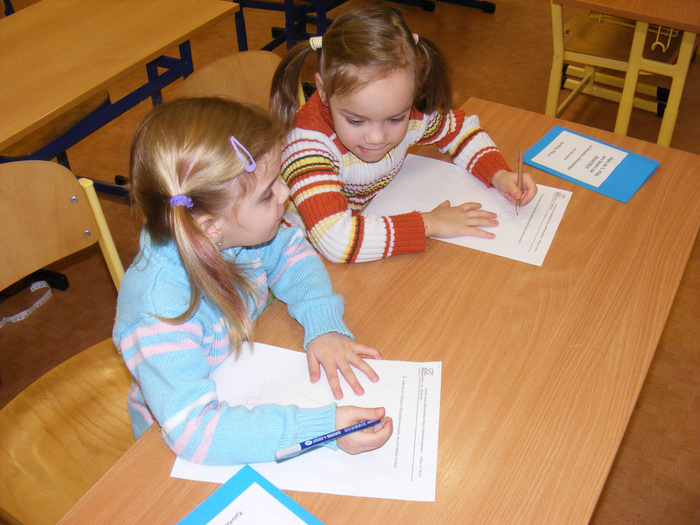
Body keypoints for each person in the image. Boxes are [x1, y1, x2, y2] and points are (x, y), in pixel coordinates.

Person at [113, 97, 392, 465]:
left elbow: (292, 253)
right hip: (171, 447)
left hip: (244, 372)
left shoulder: (235, 234)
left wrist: (322, 323)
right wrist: (321, 430)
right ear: (211, 227)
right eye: (267, 194)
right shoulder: (157, 312)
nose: (285, 193)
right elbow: (196, 433)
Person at [270, 4, 537, 264]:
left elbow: (459, 130)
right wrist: (430, 223)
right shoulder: (306, 145)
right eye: (356, 121)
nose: (377, 137)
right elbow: (337, 241)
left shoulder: (410, 113)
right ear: (323, 90)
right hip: (298, 257)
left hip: (369, 223)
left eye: (395, 118)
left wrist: (499, 174)